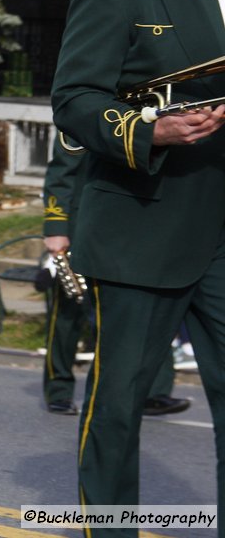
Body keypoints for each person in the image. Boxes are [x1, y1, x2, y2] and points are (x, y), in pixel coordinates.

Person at [51, 0, 225, 530]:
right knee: (120, 403)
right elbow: (74, 99)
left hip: (221, 227)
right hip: (143, 220)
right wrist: (149, 130)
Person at [41, 137, 189, 418]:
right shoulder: (92, 106)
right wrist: (55, 225)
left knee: (149, 309)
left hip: (133, 223)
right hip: (82, 225)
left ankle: (153, 392)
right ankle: (58, 389)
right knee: (68, 314)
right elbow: (61, 171)